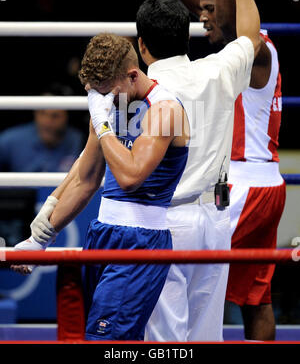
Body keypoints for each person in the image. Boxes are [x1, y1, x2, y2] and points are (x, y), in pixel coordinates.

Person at [15, 0, 261, 342]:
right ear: (187, 35)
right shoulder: (219, 70)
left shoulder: (130, 92)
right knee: (204, 337)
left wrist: (39, 235)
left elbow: (86, 172)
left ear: (141, 45)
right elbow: (250, 35)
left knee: (161, 342)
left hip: (158, 222)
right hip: (213, 220)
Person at [137, 0, 286, 341]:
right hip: (265, 186)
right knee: (256, 299)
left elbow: (222, 17)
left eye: (209, 11)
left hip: (238, 188)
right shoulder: (253, 51)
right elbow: (215, 12)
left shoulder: (252, 52)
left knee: (185, 274)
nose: (201, 18)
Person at [12, 32, 190, 341]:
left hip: (141, 240)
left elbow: (131, 177)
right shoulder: (112, 103)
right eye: (97, 95)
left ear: (133, 75)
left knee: (106, 340)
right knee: (104, 336)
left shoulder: (165, 109)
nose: (103, 101)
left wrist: (102, 123)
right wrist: (40, 239)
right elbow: (87, 178)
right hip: (102, 233)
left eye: (107, 92)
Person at [0, 84, 84, 172]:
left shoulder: (78, 140)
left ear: (67, 118)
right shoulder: (10, 140)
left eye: (55, 116)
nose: (47, 122)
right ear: (35, 113)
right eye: (42, 113)